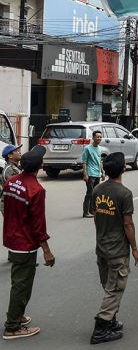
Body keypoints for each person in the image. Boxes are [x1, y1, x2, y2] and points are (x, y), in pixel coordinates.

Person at [2, 145, 55, 340]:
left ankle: (18, 315)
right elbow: (39, 226)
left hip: (12, 238)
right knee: (22, 285)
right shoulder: (36, 190)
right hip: (24, 244)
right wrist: (47, 251)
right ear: (39, 166)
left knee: (20, 283)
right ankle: (13, 326)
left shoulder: (11, 182)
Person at [89, 152, 138, 345]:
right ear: (123, 169)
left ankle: (110, 321)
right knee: (115, 289)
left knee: (108, 285)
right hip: (117, 251)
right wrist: (134, 249)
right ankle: (100, 329)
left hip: (101, 248)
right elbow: (128, 224)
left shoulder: (97, 190)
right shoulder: (124, 193)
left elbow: (96, 217)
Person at [82, 131, 104, 218]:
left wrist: (102, 172)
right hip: (90, 174)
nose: (99, 138)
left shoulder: (100, 148)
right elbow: (84, 161)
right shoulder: (87, 148)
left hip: (97, 174)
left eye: (100, 137)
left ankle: (92, 210)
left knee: (95, 193)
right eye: (97, 137)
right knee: (89, 193)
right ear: (93, 138)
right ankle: (85, 212)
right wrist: (85, 174)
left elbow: (100, 161)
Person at [1, 144, 22, 215]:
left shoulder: (16, 167)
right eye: (16, 151)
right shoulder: (10, 170)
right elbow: (17, 188)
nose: (19, 152)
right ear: (10, 156)